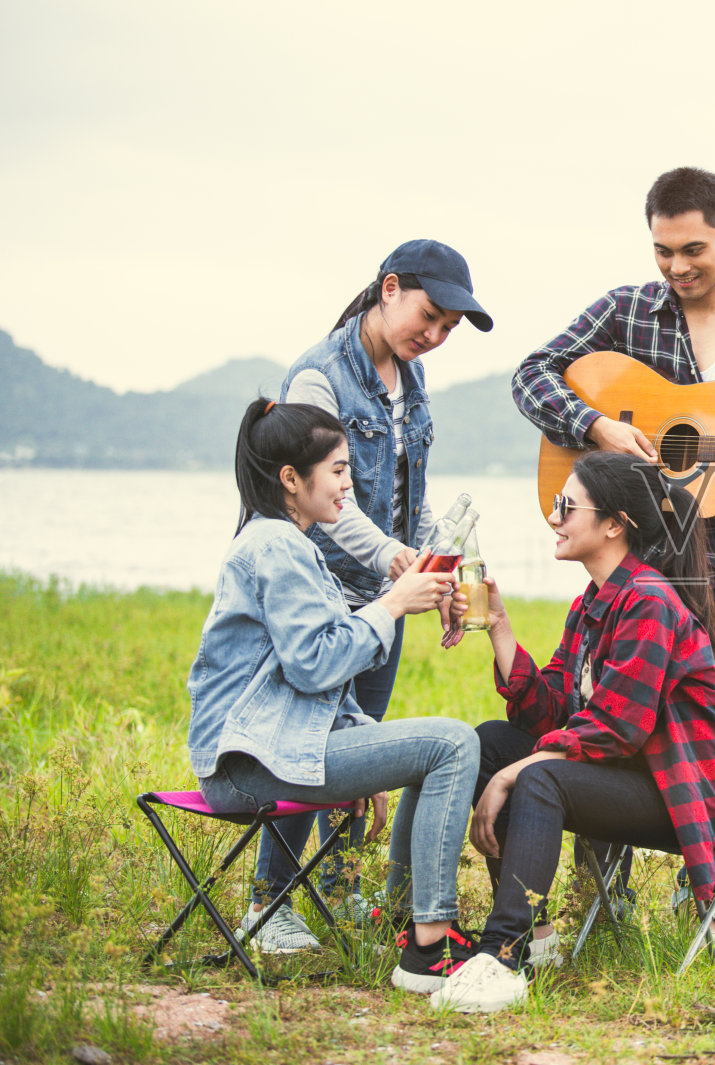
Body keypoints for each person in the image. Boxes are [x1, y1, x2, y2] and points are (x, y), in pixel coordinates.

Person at [512, 167, 715, 748]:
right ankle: (601, 833)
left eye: (693, 249)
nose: (677, 267)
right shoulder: (625, 311)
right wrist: (596, 427)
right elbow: (532, 374)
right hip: (636, 557)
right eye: (662, 252)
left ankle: (712, 839)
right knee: (603, 717)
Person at [429, 450, 715, 1014]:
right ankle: (538, 941)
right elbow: (549, 712)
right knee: (487, 743)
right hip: (621, 775)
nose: (554, 517)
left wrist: (517, 773)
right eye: (557, 505)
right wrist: (499, 626)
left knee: (537, 776)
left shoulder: (649, 600)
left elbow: (617, 728)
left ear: (613, 524)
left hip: (676, 793)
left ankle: (500, 952)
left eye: (567, 506)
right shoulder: (594, 602)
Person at [247, 239, 493, 952]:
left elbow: (409, 503)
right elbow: (334, 501)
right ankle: (268, 905)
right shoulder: (319, 377)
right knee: (304, 749)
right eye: (431, 314)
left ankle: (339, 890)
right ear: (390, 288)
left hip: (384, 601)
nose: (437, 335)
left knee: (361, 750)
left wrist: (432, 572)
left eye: (449, 327)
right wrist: (394, 563)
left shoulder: (411, 385)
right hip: (317, 598)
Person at [187, 399, 480, 994]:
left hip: (271, 754)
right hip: (251, 766)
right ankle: (430, 945)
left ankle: (408, 922)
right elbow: (314, 662)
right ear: (291, 480)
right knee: (452, 743)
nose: (352, 483)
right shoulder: (276, 545)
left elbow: (309, 680)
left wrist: (358, 748)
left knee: (435, 747)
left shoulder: (293, 544)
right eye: (340, 470)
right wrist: (393, 602)